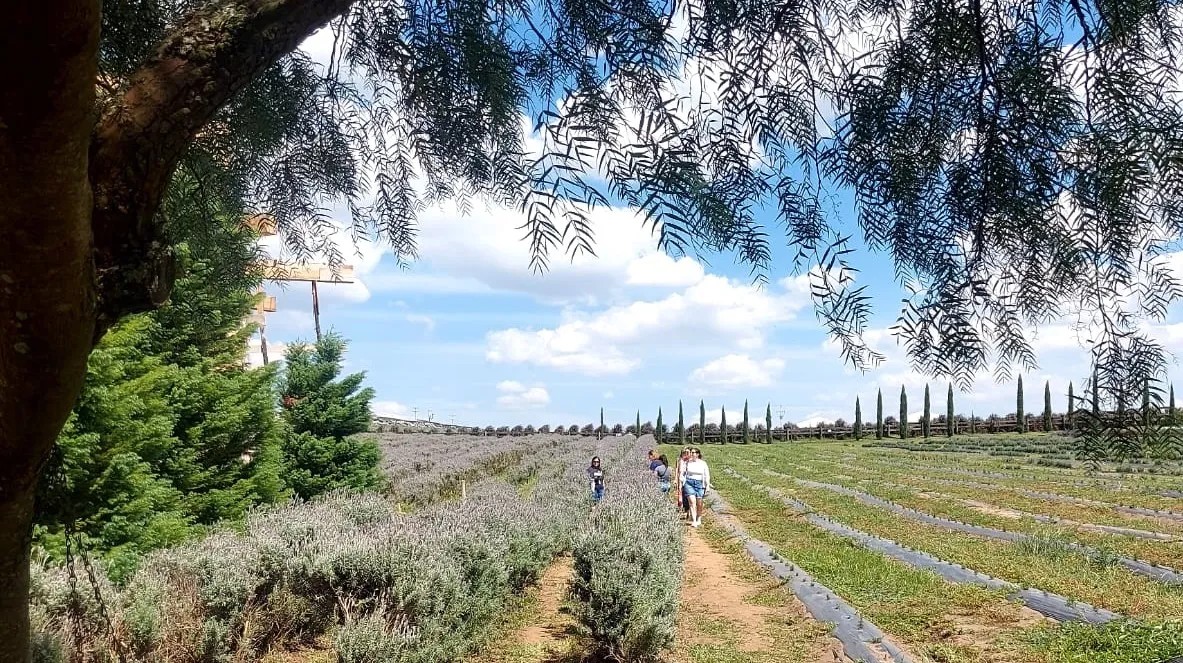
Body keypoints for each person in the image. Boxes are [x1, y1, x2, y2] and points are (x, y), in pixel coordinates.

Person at [681, 447, 711, 527]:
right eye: (691, 452)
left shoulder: (703, 463)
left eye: (693, 452)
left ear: (697, 454)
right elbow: (682, 473)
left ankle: (699, 518)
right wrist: (682, 481)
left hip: (699, 483)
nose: (692, 454)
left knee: (699, 502)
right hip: (689, 483)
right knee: (692, 502)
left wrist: (707, 485)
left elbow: (706, 474)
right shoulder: (687, 462)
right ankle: (694, 520)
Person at [674, 447, 692, 518]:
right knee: (680, 493)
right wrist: (675, 479)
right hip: (680, 478)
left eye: (688, 452)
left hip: (688, 479)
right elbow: (677, 470)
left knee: (688, 494)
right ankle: (681, 508)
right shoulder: (679, 460)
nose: (686, 454)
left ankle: (688, 510)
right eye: (685, 452)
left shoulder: (690, 460)